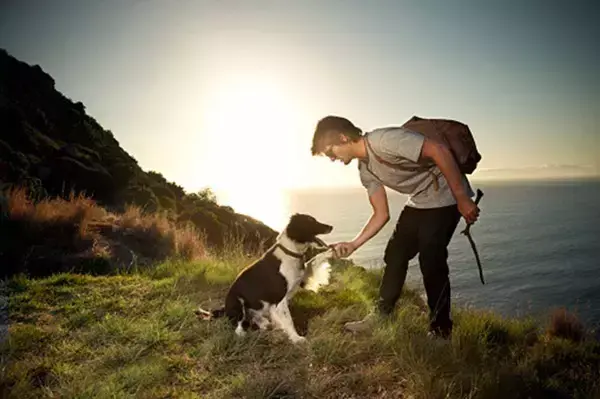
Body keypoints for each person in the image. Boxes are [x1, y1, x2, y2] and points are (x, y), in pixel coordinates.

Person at [310, 115, 480, 338]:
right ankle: (382, 315)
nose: (332, 159)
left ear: (342, 137)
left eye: (330, 152)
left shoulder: (384, 140)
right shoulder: (365, 171)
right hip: (419, 201)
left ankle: (441, 331)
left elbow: (438, 150)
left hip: (446, 196)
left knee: (431, 259)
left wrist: (462, 198)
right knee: (395, 254)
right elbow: (381, 214)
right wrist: (353, 244)